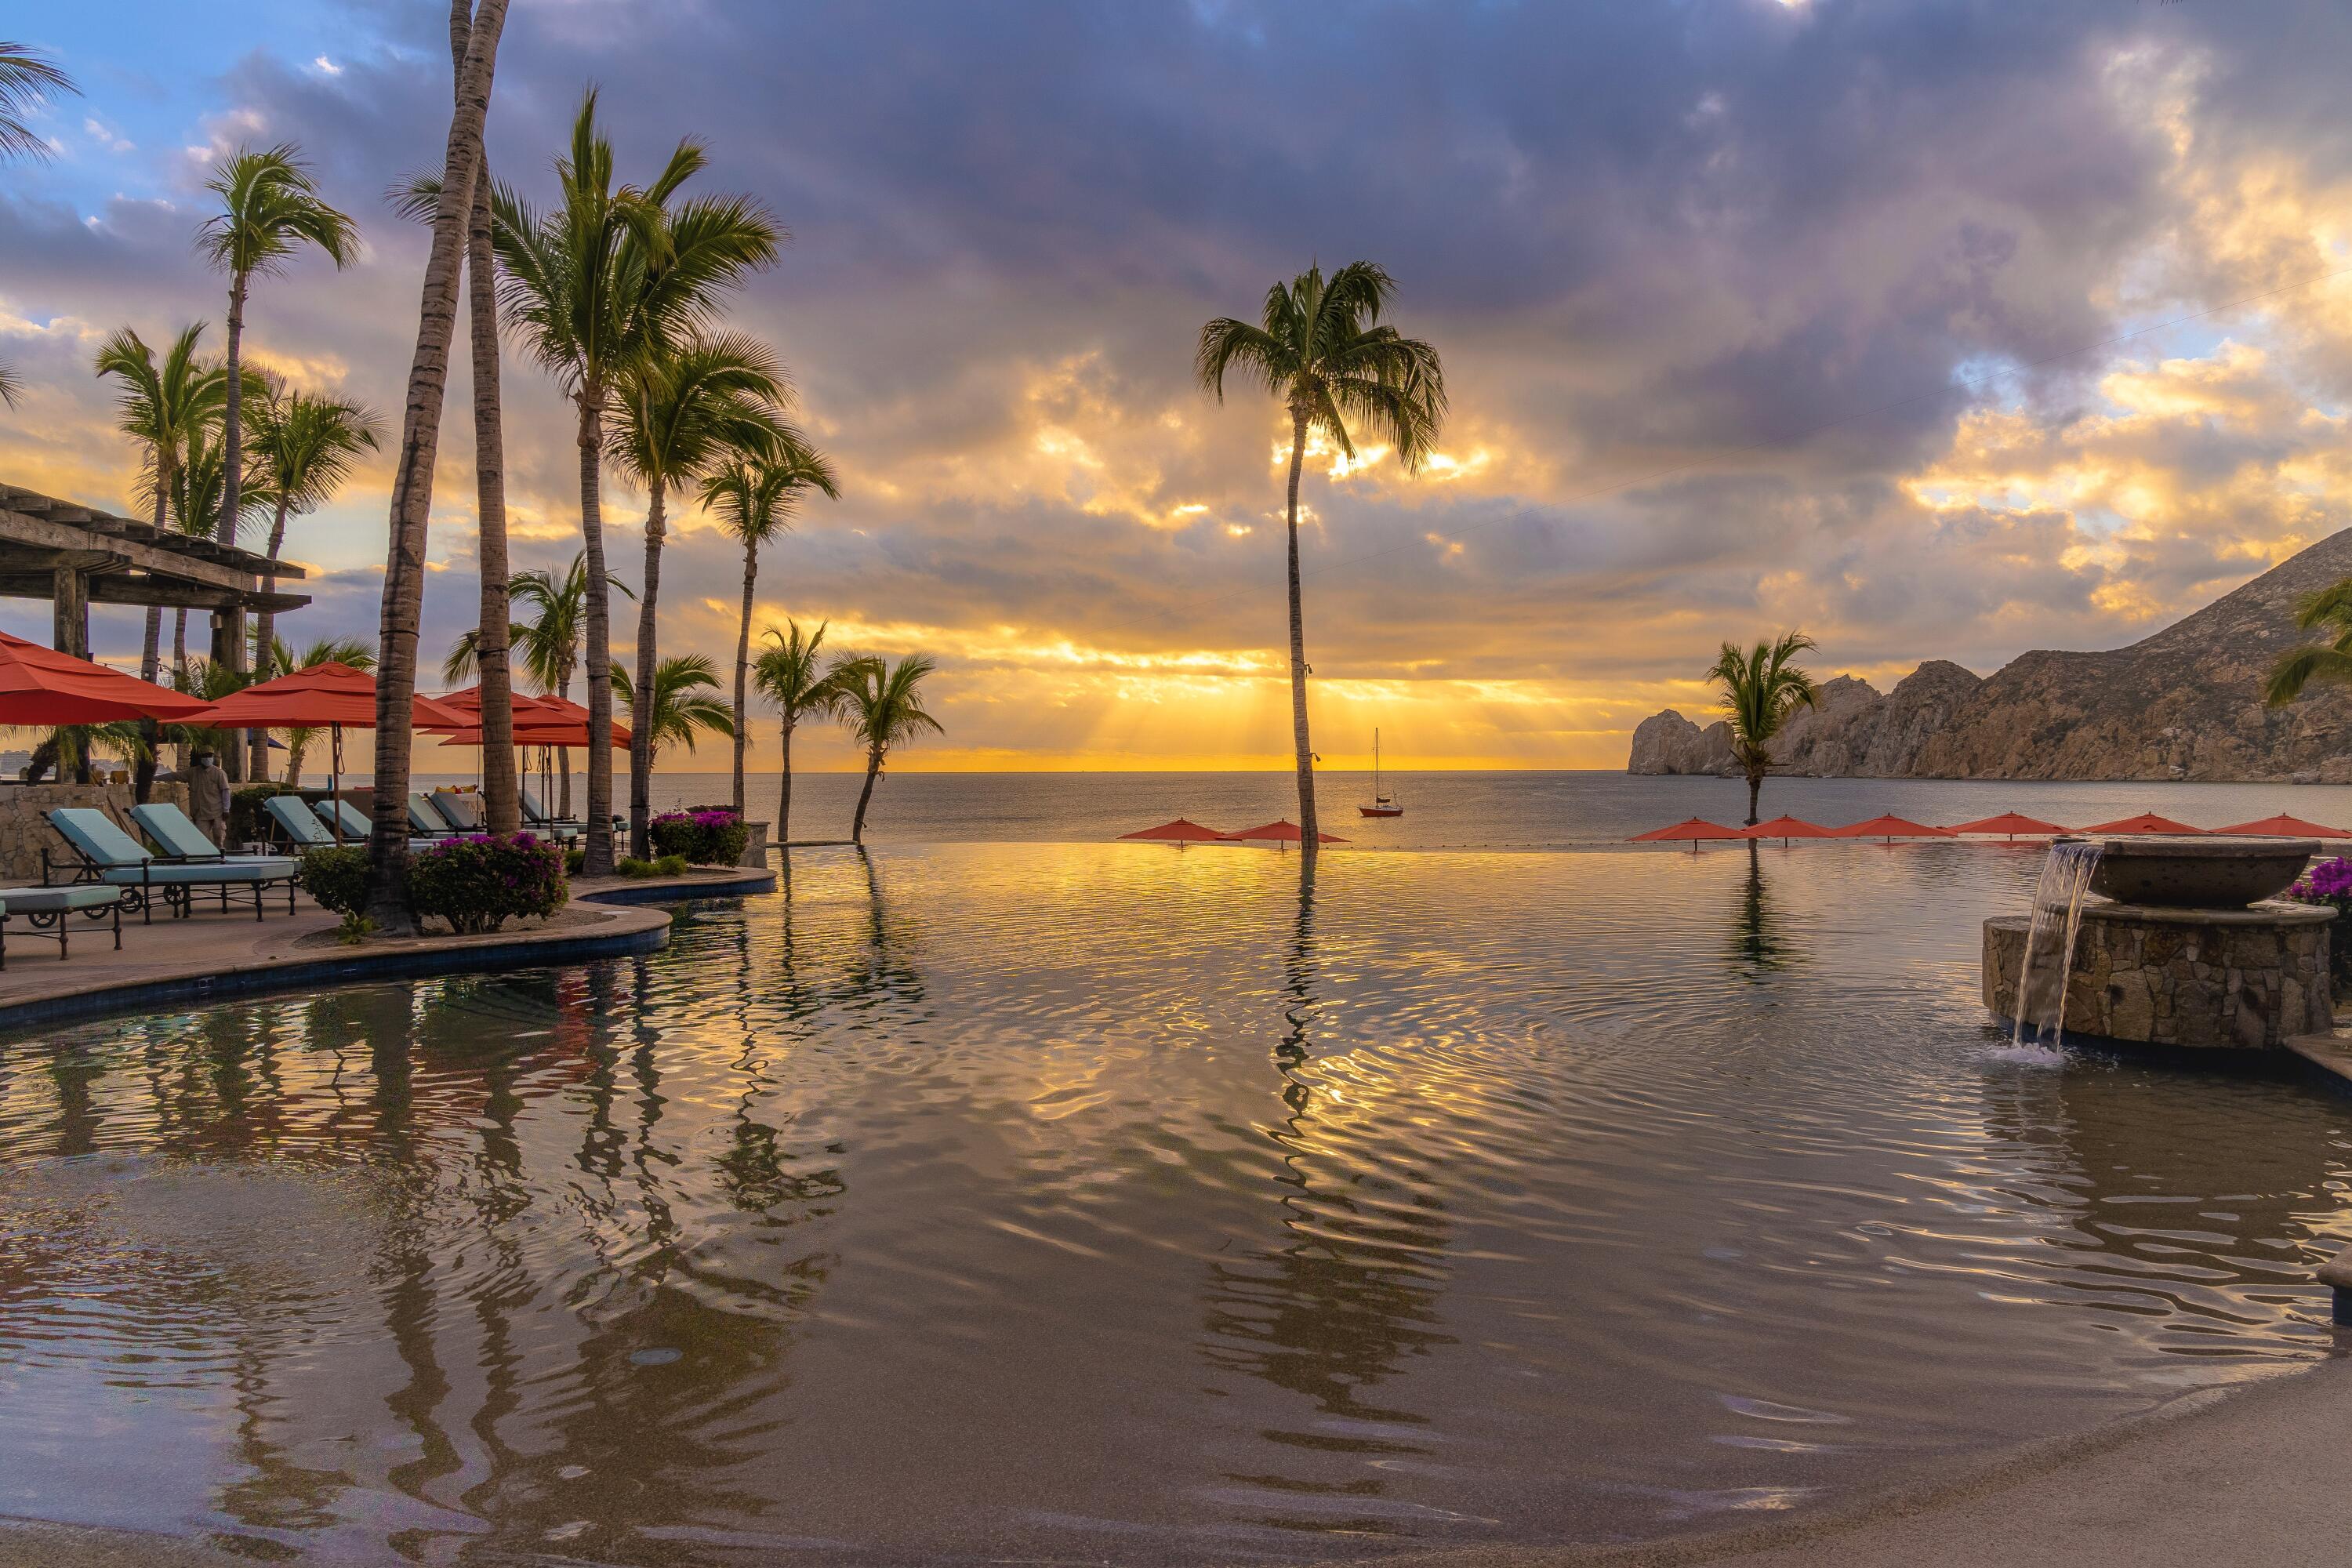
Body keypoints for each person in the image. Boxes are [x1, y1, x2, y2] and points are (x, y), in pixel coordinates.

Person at [188, 747, 230, 850]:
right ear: (201, 757)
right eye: (205, 756)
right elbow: (176, 776)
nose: (208, 758)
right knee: (202, 839)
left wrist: (226, 810)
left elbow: (225, 791)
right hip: (201, 813)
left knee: (219, 837)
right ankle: (206, 858)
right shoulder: (193, 772)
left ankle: (220, 857)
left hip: (217, 811)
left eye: (210, 756)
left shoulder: (219, 773)